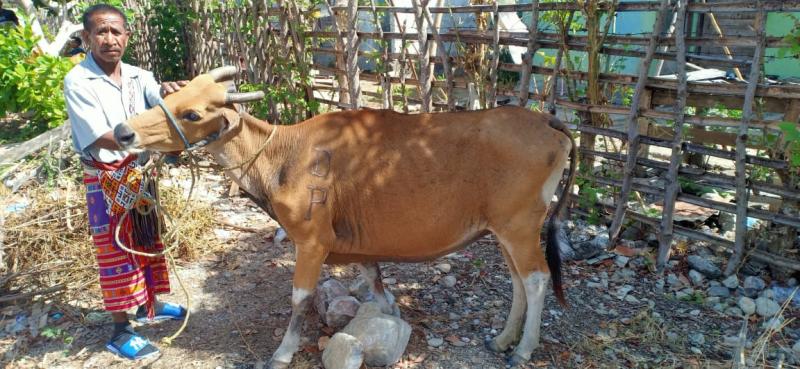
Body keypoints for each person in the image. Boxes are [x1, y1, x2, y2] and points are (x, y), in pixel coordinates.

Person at [63, 4, 187, 361]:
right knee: (115, 250)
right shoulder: (78, 80)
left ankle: (151, 305)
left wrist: (170, 93)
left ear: (127, 37)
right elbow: (101, 136)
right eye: (101, 32)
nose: (109, 39)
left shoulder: (138, 75)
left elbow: (157, 98)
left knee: (148, 237)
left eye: (116, 31)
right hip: (106, 178)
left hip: (140, 172)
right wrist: (155, 140)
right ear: (86, 38)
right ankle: (121, 328)